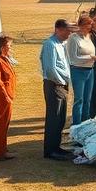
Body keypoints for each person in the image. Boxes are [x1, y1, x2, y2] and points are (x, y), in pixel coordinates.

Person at [40, 19, 73, 160]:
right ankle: (50, 150)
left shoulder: (61, 44)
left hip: (62, 84)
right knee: (54, 117)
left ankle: (56, 146)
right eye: (67, 31)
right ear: (58, 30)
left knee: (60, 118)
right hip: (54, 84)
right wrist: (62, 81)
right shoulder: (50, 44)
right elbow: (50, 69)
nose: (69, 34)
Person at [66, 15, 96, 125]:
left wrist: (94, 59)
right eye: (87, 25)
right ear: (81, 25)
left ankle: (85, 124)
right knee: (79, 99)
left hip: (90, 71)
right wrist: (90, 58)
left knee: (87, 100)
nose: (89, 27)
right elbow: (73, 58)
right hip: (78, 71)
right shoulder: (73, 38)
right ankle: (76, 125)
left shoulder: (89, 37)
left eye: (90, 25)